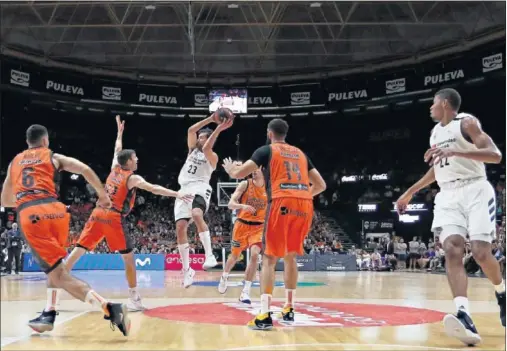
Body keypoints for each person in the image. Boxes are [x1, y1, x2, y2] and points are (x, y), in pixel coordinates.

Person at [396, 88, 505, 345]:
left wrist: (456, 152)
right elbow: (437, 170)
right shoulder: (435, 133)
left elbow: (495, 155)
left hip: (475, 188)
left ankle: (502, 292)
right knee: (452, 249)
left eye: (433, 103)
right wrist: (409, 192)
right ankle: (464, 312)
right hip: (447, 195)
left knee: (480, 252)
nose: (429, 108)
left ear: (444, 103)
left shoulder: (466, 123)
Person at [52, 116, 193, 312]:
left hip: (97, 214)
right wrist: (176, 193)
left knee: (76, 253)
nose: (137, 159)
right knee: (128, 259)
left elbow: (117, 149)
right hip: (113, 217)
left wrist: (119, 133)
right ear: (128, 162)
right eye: (135, 158)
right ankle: (134, 299)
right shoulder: (132, 177)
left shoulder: (114, 167)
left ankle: (55, 293)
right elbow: (153, 188)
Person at [0, 124, 129, 336]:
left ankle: (110, 308)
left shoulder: (15, 161)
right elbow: (85, 169)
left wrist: (27, 198)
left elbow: (5, 199)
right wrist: (102, 195)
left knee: (58, 275)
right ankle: (49, 313)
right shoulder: (52, 156)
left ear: (28, 142)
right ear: (45, 141)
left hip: (32, 214)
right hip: (57, 212)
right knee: (56, 268)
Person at [223, 118, 326, 330]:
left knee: (268, 258)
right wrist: (304, 195)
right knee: (290, 256)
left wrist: (230, 169)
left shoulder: (266, 150)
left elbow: (238, 174)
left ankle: (264, 315)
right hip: (305, 204)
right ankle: (289, 308)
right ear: (285, 134)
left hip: (281, 201)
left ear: (269, 133)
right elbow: (321, 185)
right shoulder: (301, 153)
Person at [176, 116, 233, 288]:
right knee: (180, 228)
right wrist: (211, 118)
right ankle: (187, 270)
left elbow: (208, 146)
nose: (200, 139)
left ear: (210, 140)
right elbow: (190, 130)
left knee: (196, 213)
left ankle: (209, 254)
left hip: (200, 187)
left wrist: (219, 128)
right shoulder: (192, 150)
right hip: (183, 189)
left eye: (204, 137)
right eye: (200, 137)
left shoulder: (212, 156)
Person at [218, 167, 267, 304]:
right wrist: (242, 206)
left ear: (264, 171)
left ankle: (245, 292)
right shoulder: (245, 184)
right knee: (234, 256)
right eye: (253, 169)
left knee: (255, 255)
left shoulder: (269, 188)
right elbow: (230, 204)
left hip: (259, 227)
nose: (254, 171)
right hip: (241, 225)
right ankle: (224, 276)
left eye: (258, 168)